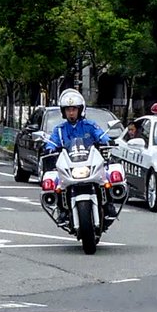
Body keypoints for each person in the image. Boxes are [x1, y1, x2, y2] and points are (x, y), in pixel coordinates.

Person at [43, 88, 113, 222]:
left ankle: (108, 204)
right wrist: (49, 148)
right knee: (57, 183)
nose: (71, 113)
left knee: (106, 177)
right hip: (70, 164)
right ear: (63, 112)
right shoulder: (59, 130)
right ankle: (62, 210)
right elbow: (51, 143)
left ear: (80, 110)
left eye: (74, 109)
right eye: (68, 110)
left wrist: (107, 141)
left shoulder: (90, 125)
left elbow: (102, 136)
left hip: (89, 162)